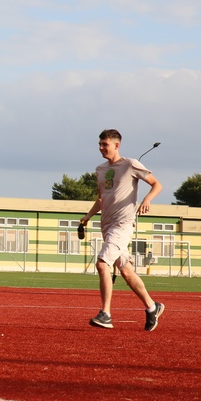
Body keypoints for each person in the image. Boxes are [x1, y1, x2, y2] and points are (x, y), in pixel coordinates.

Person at [80, 129, 166, 332]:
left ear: (116, 145)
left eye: (105, 144)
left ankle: (106, 313)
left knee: (102, 264)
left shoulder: (130, 164)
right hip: (107, 225)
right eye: (99, 144)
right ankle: (152, 307)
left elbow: (156, 185)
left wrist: (146, 199)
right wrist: (87, 217)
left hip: (123, 224)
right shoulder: (100, 169)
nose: (101, 148)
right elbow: (101, 199)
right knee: (126, 271)